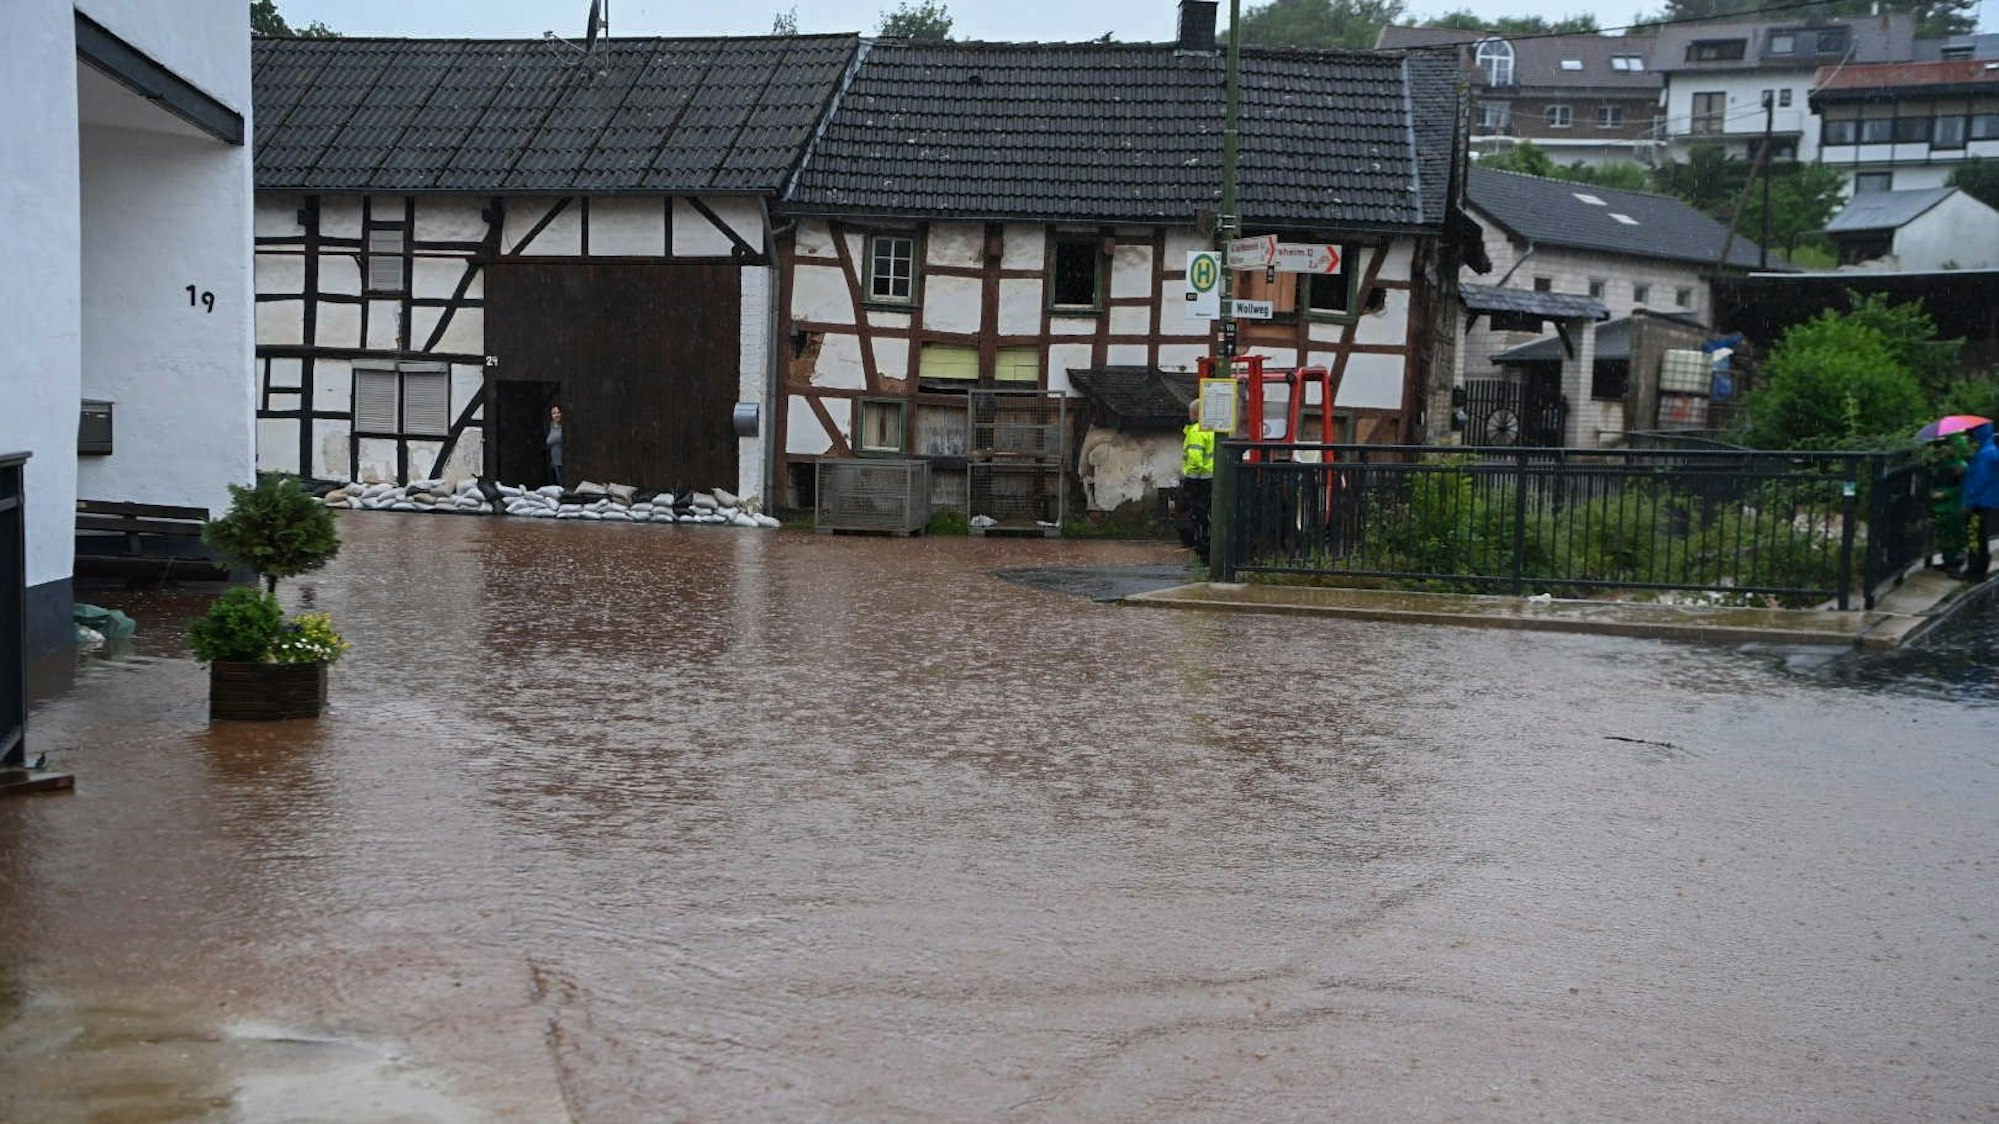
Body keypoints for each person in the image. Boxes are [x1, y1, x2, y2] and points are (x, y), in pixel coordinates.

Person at [1924, 433, 1972, 572]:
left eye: (1949, 446)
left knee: (1955, 535)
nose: (1945, 449)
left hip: (1954, 506)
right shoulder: (1943, 464)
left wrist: (1945, 493)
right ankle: (1948, 560)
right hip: (1942, 506)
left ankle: (1955, 563)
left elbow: (1963, 487)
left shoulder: (1961, 466)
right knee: (1944, 535)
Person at [1961, 421, 1999, 580]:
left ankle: (1974, 571)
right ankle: (1978, 568)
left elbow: (1978, 480)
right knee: (1980, 535)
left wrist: (1969, 501)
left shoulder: (1985, 454)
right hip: (1989, 500)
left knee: (1975, 535)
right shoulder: (1992, 450)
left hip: (1980, 502)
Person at [1180, 398, 1217, 560]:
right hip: (1212, 477)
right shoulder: (1214, 430)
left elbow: (1195, 457)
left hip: (1198, 479)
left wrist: (1191, 475)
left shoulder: (1196, 431)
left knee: (1194, 513)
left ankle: (1199, 544)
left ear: (1195, 414)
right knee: (1208, 513)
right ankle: (1207, 542)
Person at [546, 404, 566, 490]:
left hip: (564, 460)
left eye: (558, 412)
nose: (556, 415)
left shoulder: (564, 427)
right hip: (555, 460)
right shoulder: (551, 427)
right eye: (554, 413)